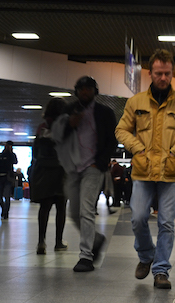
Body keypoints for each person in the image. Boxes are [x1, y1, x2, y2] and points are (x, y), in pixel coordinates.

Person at [116, 49, 175, 289]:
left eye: (167, 73)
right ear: (150, 73)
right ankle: (146, 255)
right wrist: (138, 149)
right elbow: (121, 130)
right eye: (158, 73)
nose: (163, 78)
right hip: (143, 170)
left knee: (166, 223)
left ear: (172, 73)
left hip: (172, 172)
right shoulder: (136, 102)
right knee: (138, 218)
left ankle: (161, 270)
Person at [52, 76, 117, 272]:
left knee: (86, 209)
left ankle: (85, 257)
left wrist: (100, 162)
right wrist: (69, 124)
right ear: (76, 92)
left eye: (88, 89)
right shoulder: (68, 110)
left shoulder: (104, 113)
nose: (85, 92)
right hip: (73, 167)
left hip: (93, 167)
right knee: (73, 213)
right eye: (81, 89)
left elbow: (112, 141)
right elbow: (56, 136)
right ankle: (96, 240)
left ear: (95, 91)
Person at [30, 98, 68, 255]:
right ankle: (58, 242)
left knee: (44, 208)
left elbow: (35, 152)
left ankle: (41, 241)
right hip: (62, 171)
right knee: (61, 208)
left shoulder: (42, 127)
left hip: (44, 171)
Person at [0, 141, 17, 219]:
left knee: (7, 196)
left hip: (8, 178)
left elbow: (15, 161)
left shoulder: (11, 156)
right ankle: (4, 209)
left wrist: (10, 153)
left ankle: (5, 212)